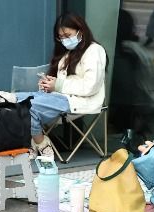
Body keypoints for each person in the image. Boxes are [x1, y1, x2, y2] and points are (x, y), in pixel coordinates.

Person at [14, 13, 107, 159]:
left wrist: (58, 85)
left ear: (80, 31)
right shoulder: (67, 54)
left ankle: (41, 144)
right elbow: (61, 85)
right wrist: (48, 84)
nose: (64, 40)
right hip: (60, 98)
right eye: (61, 37)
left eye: (67, 35)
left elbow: (91, 86)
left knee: (28, 105)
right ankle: (33, 142)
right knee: (15, 99)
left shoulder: (94, 50)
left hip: (79, 101)